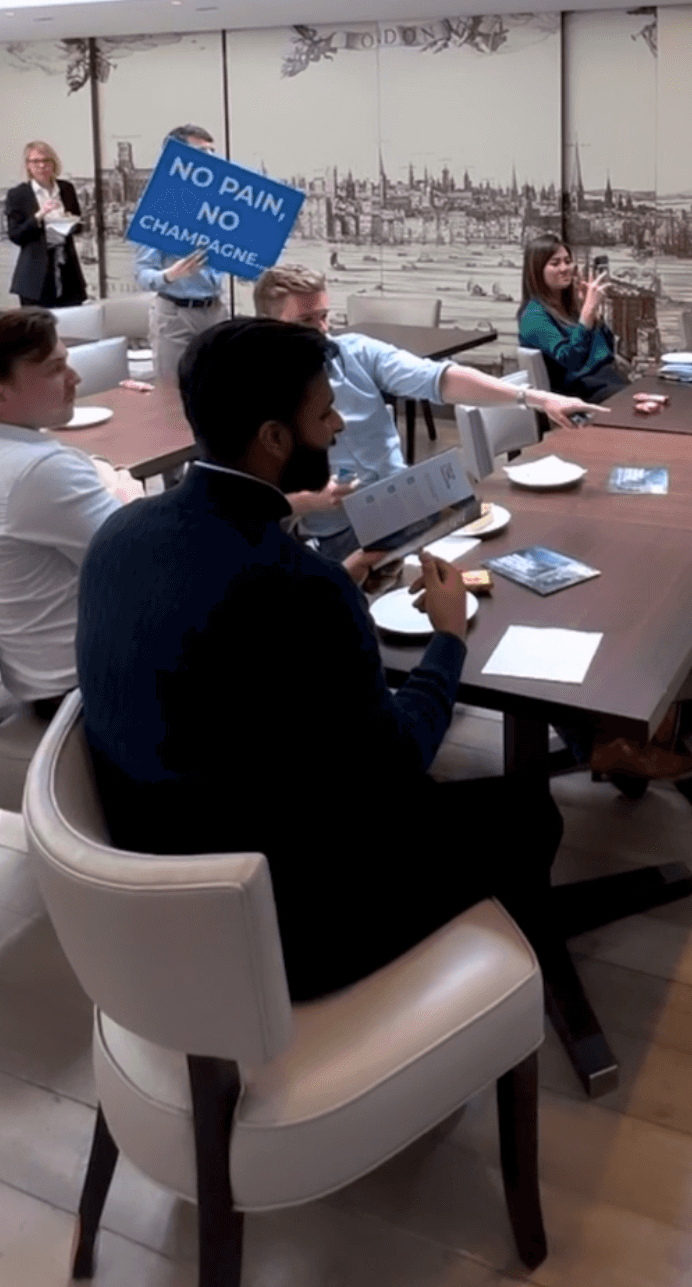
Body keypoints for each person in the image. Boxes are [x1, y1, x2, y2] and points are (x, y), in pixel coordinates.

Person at [76, 317, 563, 1002]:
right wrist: (449, 637)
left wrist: (343, 583)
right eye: (325, 411)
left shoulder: (120, 534)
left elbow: (230, 660)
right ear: (275, 438)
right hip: (279, 927)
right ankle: (517, 997)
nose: (338, 425)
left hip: (153, 890)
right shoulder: (300, 585)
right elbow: (400, 758)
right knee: (527, 814)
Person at [253, 264, 607, 562]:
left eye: (325, 317)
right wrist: (304, 501)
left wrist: (538, 398)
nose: (322, 331)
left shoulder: (353, 353)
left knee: (507, 552)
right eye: (305, 322)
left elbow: (439, 379)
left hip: (401, 507)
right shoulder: (254, 395)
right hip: (334, 535)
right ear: (268, 328)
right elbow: (238, 505)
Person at [0, 309, 141, 715]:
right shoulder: (37, 471)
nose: (76, 379)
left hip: (36, 677)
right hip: (88, 686)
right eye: (56, 368)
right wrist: (127, 493)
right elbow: (139, 561)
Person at [132, 124, 227, 384]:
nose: (210, 158)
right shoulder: (156, 206)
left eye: (212, 151)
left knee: (217, 393)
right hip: (176, 316)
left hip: (216, 311)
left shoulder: (219, 203)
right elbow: (142, 273)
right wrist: (172, 275)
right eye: (201, 151)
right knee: (173, 396)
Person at [517, 237, 627, 402]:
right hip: (576, 393)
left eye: (567, 262)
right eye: (555, 264)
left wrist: (593, 315)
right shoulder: (533, 315)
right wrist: (587, 313)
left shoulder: (570, 306)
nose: (565, 268)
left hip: (605, 381)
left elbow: (608, 349)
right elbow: (572, 361)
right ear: (537, 271)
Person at [4, 141, 87, 309]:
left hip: (67, 269)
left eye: (46, 160)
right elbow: (15, 235)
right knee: (38, 329)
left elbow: (79, 224)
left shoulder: (66, 189)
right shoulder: (19, 194)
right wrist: (39, 216)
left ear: (54, 163)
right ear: (28, 166)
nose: (42, 165)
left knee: (73, 324)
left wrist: (71, 222)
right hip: (34, 274)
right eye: (35, 161)